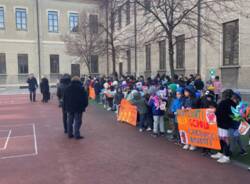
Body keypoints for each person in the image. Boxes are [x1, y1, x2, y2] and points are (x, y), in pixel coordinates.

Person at [211, 89, 235, 163]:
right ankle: (221, 153)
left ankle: (226, 156)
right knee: (222, 138)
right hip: (226, 124)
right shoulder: (232, 103)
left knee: (224, 139)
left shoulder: (223, 102)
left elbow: (217, 112)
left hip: (223, 124)